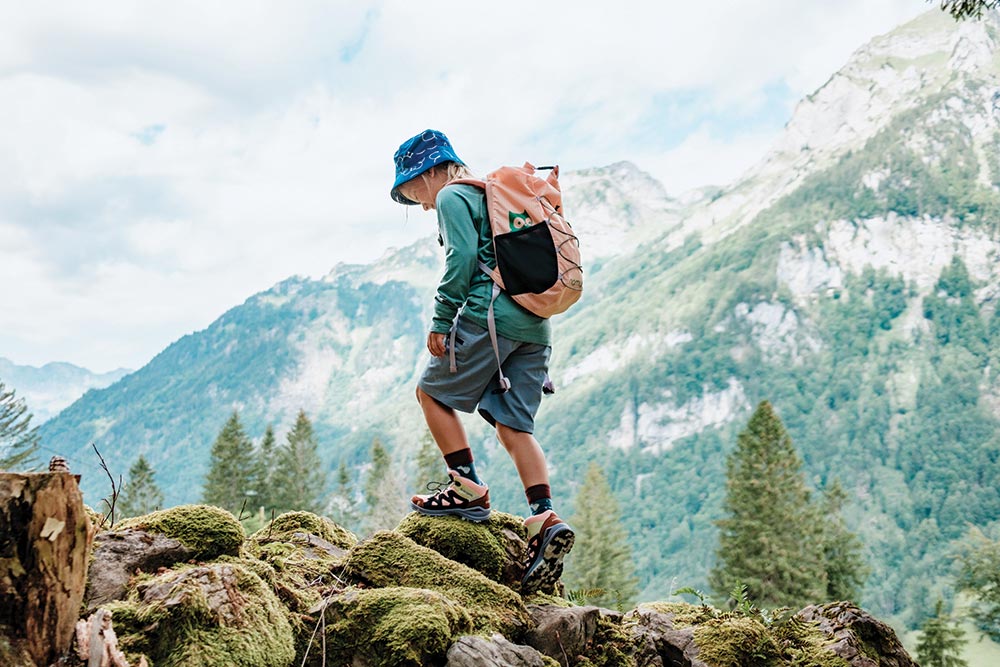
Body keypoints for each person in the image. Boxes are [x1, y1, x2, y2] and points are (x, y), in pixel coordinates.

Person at [390, 129, 574, 592]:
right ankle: (543, 518)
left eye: (416, 191)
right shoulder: (493, 196)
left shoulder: (454, 194)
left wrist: (441, 320)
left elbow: (461, 261)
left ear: (432, 171)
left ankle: (466, 486)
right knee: (515, 426)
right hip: (535, 325)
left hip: (487, 316)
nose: (424, 205)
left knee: (430, 394)